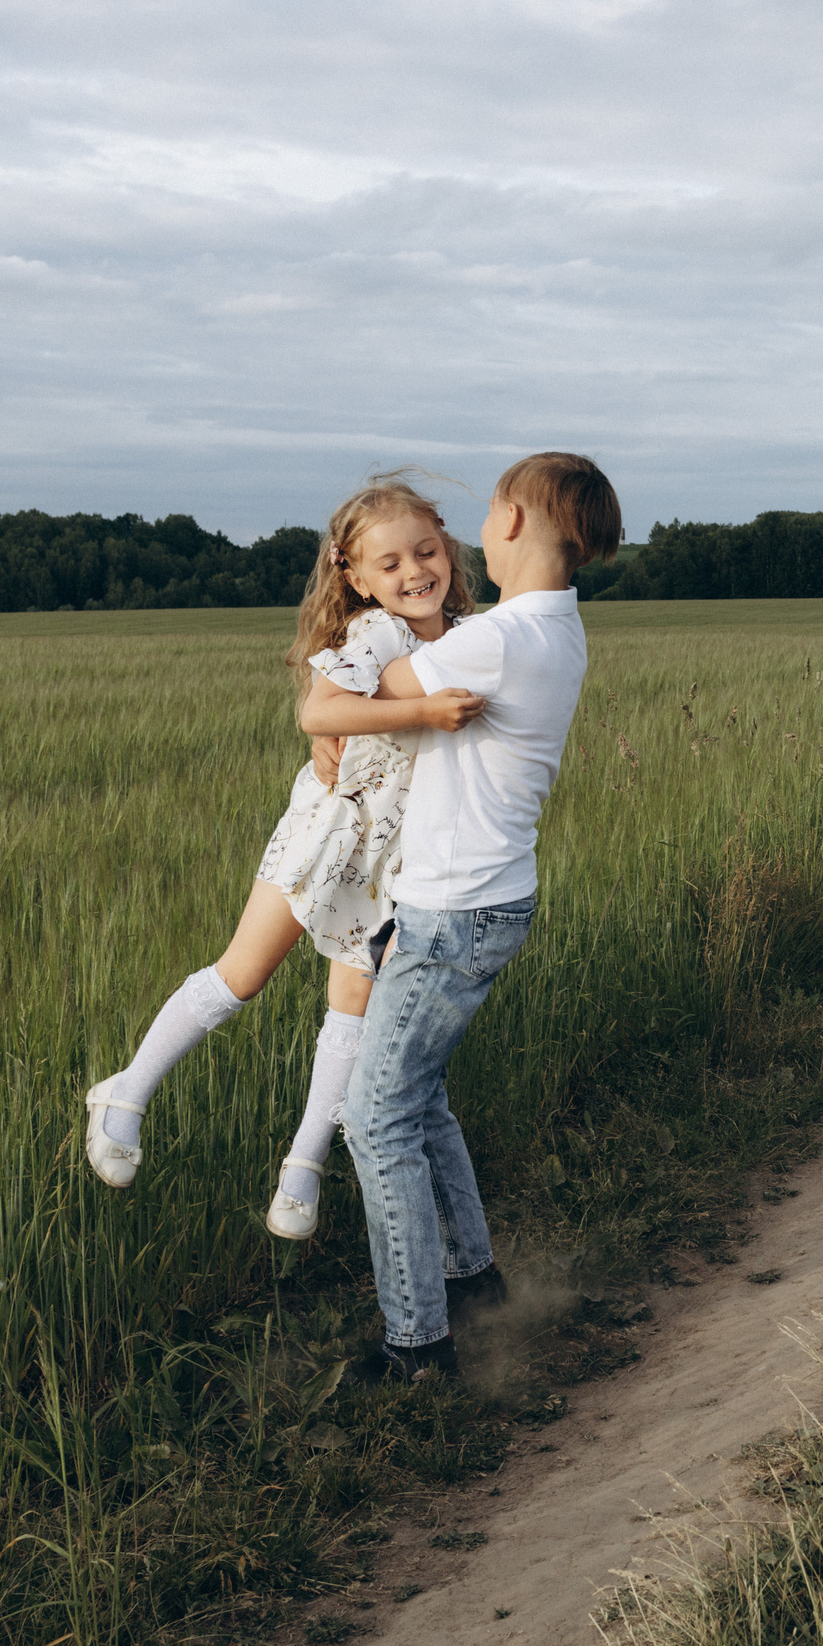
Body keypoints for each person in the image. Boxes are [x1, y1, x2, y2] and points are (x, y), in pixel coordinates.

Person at [83, 475, 486, 1242]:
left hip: (398, 858)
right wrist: (425, 712)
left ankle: (302, 1166)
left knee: (352, 1003)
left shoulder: (469, 634)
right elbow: (318, 710)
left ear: (448, 546)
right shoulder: (374, 634)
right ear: (357, 578)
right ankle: (126, 1091)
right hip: (326, 832)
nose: (413, 573)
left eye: (426, 551)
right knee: (243, 973)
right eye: (390, 564)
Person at [318, 452, 623, 1383]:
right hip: (489, 903)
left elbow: (350, 695)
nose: (469, 534)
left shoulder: (496, 640)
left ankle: (418, 1343)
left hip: (452, 913)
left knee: (374, 1119)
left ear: (518, 524)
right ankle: (476, 1278)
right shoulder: (550, 629)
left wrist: (333, 715)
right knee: (423, 1096)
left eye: (485, 513)